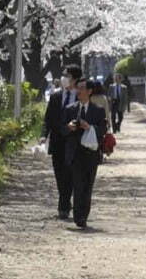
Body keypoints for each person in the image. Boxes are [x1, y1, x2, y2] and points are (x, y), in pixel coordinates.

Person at [64, 77, 108, 228]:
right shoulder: (70, 109)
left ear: (89, 91)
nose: (79, 91)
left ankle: (84, 215)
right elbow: (62, 131)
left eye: (82, 88)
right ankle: (78, 216)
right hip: (75, 153)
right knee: (77, 185)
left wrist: (89, 127)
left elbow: (103, 130)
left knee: (88, 185)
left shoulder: (98, 110)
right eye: (78, 88)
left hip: (91, 153)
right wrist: (69, 127)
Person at [41, 63, 81, 219]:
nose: (64, 78)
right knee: (59, 174)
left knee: (70, 174)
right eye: (63, 75)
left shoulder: (81, 96)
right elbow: (48, 119)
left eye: (67, 76)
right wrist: (44, 135)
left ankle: (63, 205)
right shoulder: (56, 96)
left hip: (73, 142)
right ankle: (64, 200)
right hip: (57, 141)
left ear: (75, 79)